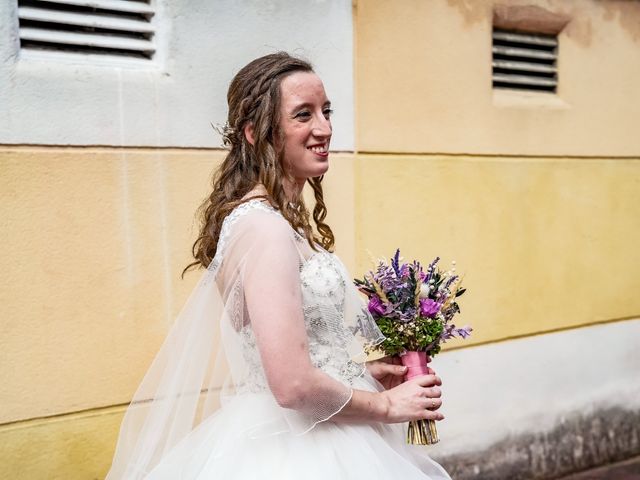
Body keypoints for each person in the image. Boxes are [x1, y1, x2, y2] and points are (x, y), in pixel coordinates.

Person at [106, 52, 451, 479]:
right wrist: (385, 406)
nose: (323, 128)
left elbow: (287, 353)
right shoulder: (265, 230)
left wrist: (363, 374)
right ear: (256, 133)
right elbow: (292, 385)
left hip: (309, 429)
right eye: (303, 115)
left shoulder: (268, 222)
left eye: (326, 111)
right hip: (304, 448)